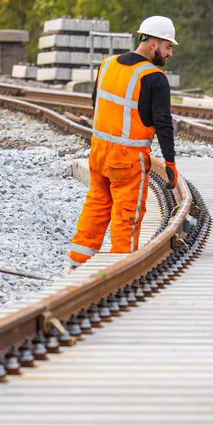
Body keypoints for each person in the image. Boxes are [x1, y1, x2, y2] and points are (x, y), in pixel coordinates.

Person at [68, 16, 178, 264]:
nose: (170, 53)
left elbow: (96, 103)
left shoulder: (107, 65)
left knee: (97, 203)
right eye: (168, 47)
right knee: (127, 212)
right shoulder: (154, 77)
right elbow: (163, 124)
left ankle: (77, 261)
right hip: (127, 159)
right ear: (153, 44)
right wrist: (170, 162)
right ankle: (120, 267)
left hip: (98, 151)